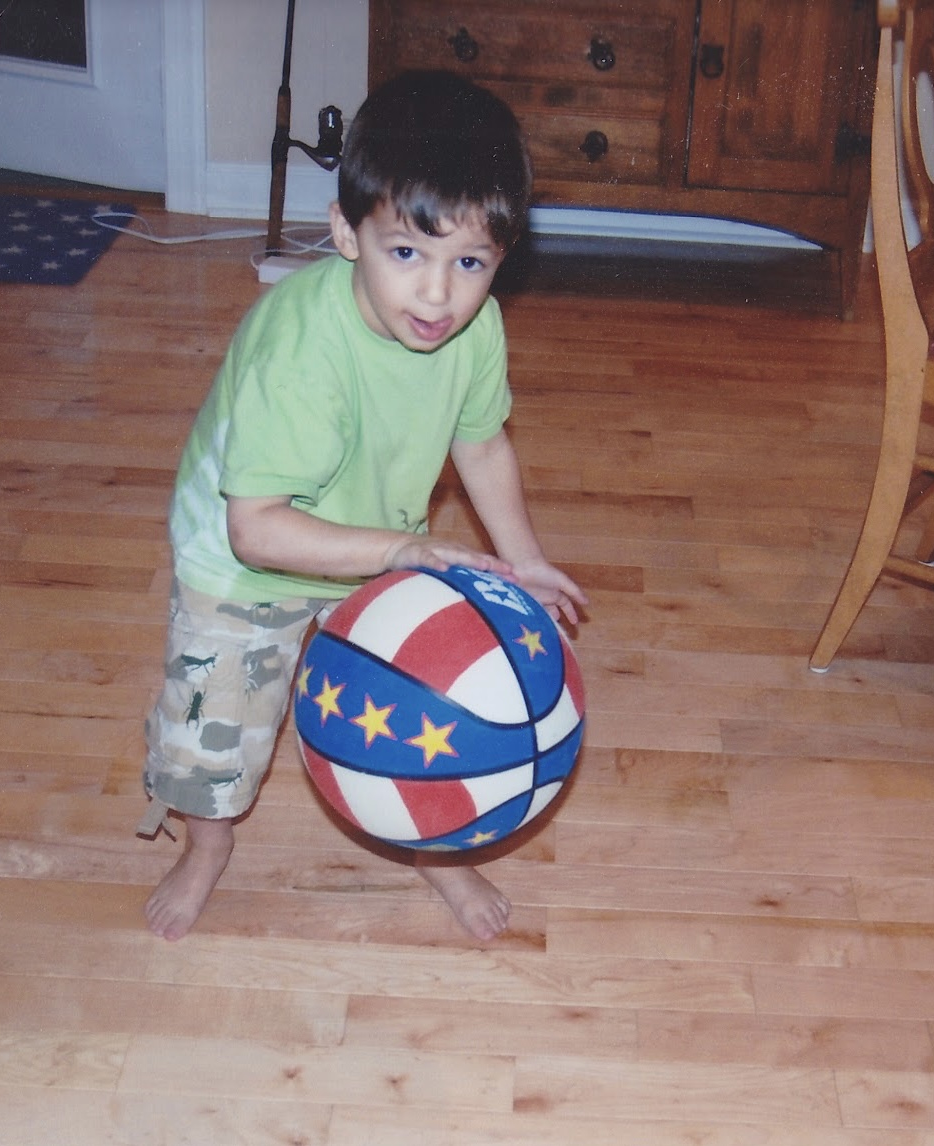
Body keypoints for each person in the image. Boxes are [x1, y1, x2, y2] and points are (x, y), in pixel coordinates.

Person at [138, 70, 586, 943]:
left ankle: (439, 851)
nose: (438, 295)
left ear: (503, 256)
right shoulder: (298, 357)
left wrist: (523, 558)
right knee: (212, 737)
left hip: (377, 534)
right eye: (406, 253)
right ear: (346, 232)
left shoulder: (475, 329)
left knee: (431, 709)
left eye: (470, 263)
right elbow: (255, 526)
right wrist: (398, 552)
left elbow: (481, 443)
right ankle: (205, 846)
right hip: (241, 562)